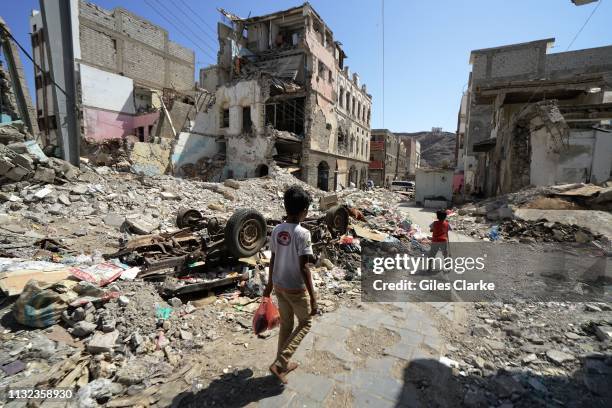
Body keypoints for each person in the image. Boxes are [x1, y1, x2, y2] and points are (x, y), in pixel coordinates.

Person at [263, 185, 317, 384]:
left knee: (287, 325)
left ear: (286, 208)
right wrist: (313, 297)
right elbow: (305, 268)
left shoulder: (277, 230)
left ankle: (281, 365)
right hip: (295, 288)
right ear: (304, 211)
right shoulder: (303, 234)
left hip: (279, 285)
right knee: (305, 323)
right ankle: (280, 362)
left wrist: (269, 285)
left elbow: (273, 259)